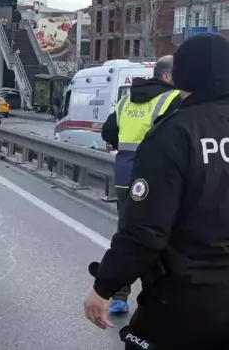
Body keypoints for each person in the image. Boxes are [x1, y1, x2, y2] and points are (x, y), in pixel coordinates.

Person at [84, 34, 229, 349]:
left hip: (186, 302)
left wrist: (105, 286)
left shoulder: (175, 133)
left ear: (183, 75)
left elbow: (145, 231)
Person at [100, 55, 180, 314]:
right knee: (155, 236)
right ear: (167, 76)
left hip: (124, 178)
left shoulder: (126, 100)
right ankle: (153, 296)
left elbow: (108, 132)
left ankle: (120, 296)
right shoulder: (172, 99)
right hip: (154, 178)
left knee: (128, 232)